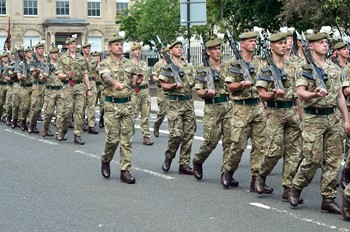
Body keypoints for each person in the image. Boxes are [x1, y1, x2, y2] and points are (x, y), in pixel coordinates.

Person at [289, 32, 350, 214]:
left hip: (332, 118)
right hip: (313, 117)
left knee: (333, 160)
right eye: (320, 42)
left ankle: (328, 198)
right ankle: (296, 188)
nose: (325, 45)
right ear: (311, 46)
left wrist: (346, 118)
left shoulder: (334, 68)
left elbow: (339, 95)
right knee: (313, 159)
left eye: (326, 42)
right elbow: (300, 93)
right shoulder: (305, 68)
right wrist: (315, 93)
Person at [254, 32, 303, 202]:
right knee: (274, 150)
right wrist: (273, 93)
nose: (283, 45)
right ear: (271, 46)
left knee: (294, 152)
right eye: (279, 43)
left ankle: (288, 188)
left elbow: (298, 94)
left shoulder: (294, 66)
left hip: (293, 112)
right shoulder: (266, 68)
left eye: (285, 42)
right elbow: (261, 94)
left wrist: (302, 115)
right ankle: (261, 175)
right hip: (275, 112)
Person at [223, 30, 271, 191]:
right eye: (250, 41)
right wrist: (241, 85)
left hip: (257, 106)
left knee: (261, 145)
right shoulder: (234, 64)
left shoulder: (259, 63)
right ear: (241, 44)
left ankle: (256, 180)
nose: (253, 43)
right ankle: (228, 171)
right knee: (238, 145)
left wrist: (266, 104)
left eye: (254, 41)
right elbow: (230, 86)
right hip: (241, 107)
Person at [191, 38, 237, 187]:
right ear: (208, 52)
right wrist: (206, 93)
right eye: (215, 49)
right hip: (212, 107)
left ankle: (226, 173)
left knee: (230, 141)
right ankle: (198, 160)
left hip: (228, 105)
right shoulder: (202, 68)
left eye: (219, 49)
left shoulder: (227, 66)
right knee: (210, 141)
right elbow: (198, 89)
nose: (218, 52)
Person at [97, 35, 143, 184]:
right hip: (112, 106)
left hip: (128, 105)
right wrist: (115, 82)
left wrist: (137, 81)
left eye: (121, 45)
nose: (119, 47)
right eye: (116, 45)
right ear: (109, 48)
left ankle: (125, 170)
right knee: (112, 139)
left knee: (127, 140)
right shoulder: (104, 63)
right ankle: (106, 159)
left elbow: (133, 83)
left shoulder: (129, 63)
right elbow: (106, 77)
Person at [159, 40, 195, 175]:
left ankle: (184, 163)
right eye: (176, 47)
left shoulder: (188, 66)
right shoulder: (167, 67)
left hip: (188, 103)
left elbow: (194, 83)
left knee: (188, 135)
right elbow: (164, 86)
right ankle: (169, 156)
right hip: (175, 103)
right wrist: (173, 86)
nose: (179, 49)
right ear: (171, 51)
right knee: (176, 135)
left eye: (181, 47)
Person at [56, 36, 93, 144]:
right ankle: (63, 130)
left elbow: (85, 73)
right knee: (67, 111)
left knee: (80, 111)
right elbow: (58, 74)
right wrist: (65, 75)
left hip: (79, 86)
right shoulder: (62, 58)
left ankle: (77, 135)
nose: (73, 46)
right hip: (67, 86)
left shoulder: (81, 58)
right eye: (71, 44)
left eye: (74, 44)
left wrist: (89, 89)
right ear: (67, 46)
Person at [130, 42, 153, 145]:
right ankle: (129, 135)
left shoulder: (144, 63)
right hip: (134, 91)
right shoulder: (129, 64)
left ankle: (146, 135)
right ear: (132, 52)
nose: (138, 52)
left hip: (145, 91)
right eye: (135, 50)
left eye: (139, 50)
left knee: (146, 114)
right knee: (132, 114)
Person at [41, 46, 63, 137]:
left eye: (56, 53)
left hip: (61, 90)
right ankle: (46, 128)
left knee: (60, 113)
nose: (55, 55)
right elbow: (41, 79)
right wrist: (44, 76)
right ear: (50, 55)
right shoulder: (45, 65)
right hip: (50, 91)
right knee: (49, 113)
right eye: (53, 53)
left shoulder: (61, 65)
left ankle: (59, 132)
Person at [27, 42, 47, 133]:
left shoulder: (47, 60)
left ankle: (46, 129)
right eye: (39, 49)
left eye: (42, 48)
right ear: (36, 50)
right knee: (36, 108)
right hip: (37, 85)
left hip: (46, 86)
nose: (41, 50)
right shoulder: (33, 61)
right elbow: (33, 74)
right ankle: (32, 124)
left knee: (47, 108)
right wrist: (37, 72)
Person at [82, 43, 99, 134]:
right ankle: (81, 122)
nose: (88, 49)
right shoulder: (80, 59)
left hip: (92, 82)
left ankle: (91, 125)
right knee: (81, 105)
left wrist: (95, 83)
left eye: (89, 48)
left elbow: (95, 72)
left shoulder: (93, 60)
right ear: (82, 50)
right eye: (86, 48)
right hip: (82, 83)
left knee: (92, 105)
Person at [152, 48, 169, 137]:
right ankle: (157, 125)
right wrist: (160, 79)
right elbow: (154, 77)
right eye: (165, 53)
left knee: (173, 111)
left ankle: (174, 131)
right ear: (161, 54)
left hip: (172, 90)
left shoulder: (173, 63)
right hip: (161, 90)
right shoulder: (158, 65)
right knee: (162, 111)